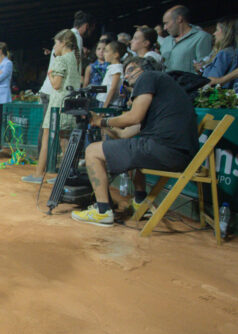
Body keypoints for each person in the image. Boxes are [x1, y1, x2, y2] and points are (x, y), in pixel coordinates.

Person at [73, 57, 198, 227]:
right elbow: (124, 134)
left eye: (130, 70)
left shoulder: (148, 77)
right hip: (177, 154)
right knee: (133, 148)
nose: (128, 76)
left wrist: (102, 122)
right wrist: (98, 122)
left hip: (167, 150)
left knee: (92, 151)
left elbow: (133, 117)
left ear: (142, 68)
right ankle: (140, 200)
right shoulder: (162, 95)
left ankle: (102, 211)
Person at [23, 29, 82, 184]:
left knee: (48, 136)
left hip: (58, 103)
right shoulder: (75, 59)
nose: (54, 47)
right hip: (70, 103)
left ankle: (38, 174)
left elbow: (56, 84)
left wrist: (49, 73)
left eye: (56, 43)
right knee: (64, 139)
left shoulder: (61, 59)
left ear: (63, 43)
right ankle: (67, 174)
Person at [159, 5, 212, 73]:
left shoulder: (201, 37)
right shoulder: (166, 41)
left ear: (179, 19)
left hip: (190, 82)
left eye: (166, 23)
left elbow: (205, 68)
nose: (165, 28)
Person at [198, 19, 237, 90]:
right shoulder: (232, 52)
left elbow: (212, 81)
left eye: (217, 30)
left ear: (226, 33)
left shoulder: (224, 53)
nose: (214, 33)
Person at [96, 41, 125, 108]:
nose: (104, 53)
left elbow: (113, 88)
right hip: (104, 101)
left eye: (106, 51)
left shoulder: (116, 68)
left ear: (116, 55)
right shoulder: (112, 67)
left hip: (110, 104)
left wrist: (105, 106)